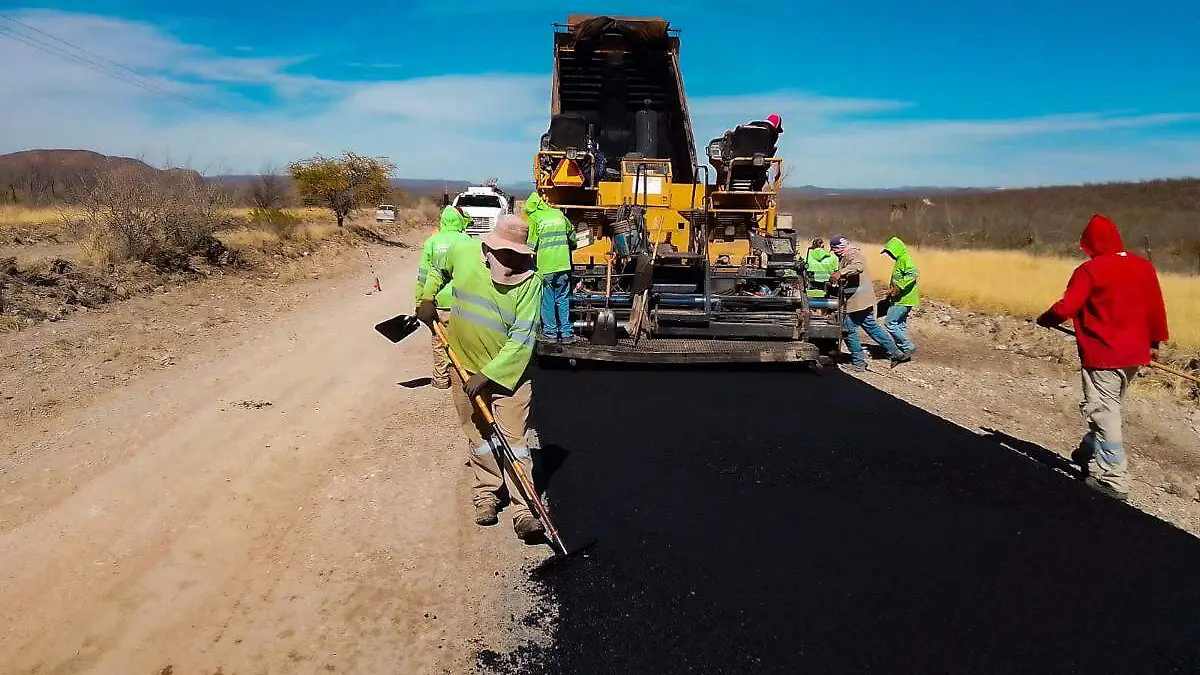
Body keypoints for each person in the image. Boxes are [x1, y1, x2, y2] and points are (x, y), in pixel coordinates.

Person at [416, 214, 546, 540]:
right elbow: (436, 269)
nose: (512, 261)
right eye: (506, 254)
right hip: (462, 366)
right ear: (489, 247)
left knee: (514, 442)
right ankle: (486, 493)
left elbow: (522, 338)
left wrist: (487, 376)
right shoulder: (463, 254)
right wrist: (428, 298)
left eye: (519, 255)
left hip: (509, 376)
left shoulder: (531, 283)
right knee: (479, 437)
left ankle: (524, 511)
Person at [1036, 214, 1169, 501]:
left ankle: (1114, 478)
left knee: (1103, 411)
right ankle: (1087, 452)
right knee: (1109, 407)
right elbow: (1156, 308)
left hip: (1103, 354)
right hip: (1136, 354)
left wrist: (1046, 318)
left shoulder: (1090, 270)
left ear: (1090, 243)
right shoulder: (1143, 266)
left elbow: (1066, 307)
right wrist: (1154, 342)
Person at [829, 234, 910, 371]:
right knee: (871, 327)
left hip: (858, 300)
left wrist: (841, 273)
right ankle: (896, 353)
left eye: (835, 249)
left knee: (847, 329)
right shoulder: (846, 256)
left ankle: (859, 363)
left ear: (839, 247)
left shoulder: (853, 254)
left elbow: (858, 267)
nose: (834, 253)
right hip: (863, 300)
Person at [414, 205, 472, 389]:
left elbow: (424, 274)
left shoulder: (432, 242)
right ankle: (463, 375)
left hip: (439, 301)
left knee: (439, 340)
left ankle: (441, 378)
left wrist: (420, 301)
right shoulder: (467, 241)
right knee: (462, 340)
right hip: (463, 301)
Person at [524, 193, 578, 343]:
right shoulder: (558, 214)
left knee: (547, 300)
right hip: (563, 265)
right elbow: (572, 235)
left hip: (546, 268)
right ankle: (566, 333)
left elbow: (531, 246)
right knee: (562, 298)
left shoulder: (535, 218)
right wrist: (571, 247)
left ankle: (550, 333)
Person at [880, 236, 920, 356]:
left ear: (896, 250)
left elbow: (913, 273)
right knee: (899, 324)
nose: (889, 255)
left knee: (890, 323)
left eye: (890, 252)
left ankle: (908, 346)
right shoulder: (900, 260)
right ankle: (902, 349)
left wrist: (899, 287)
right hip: (904, 299)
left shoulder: (904, 259)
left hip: (903, 299)